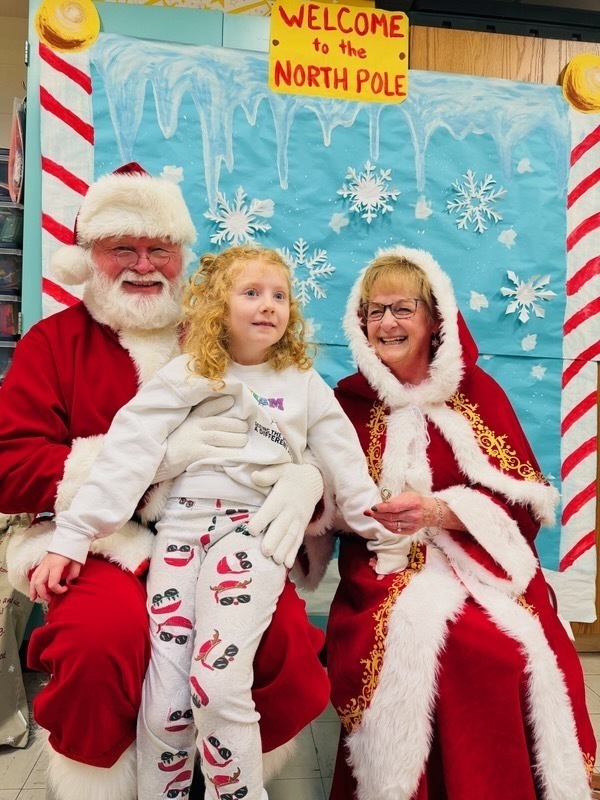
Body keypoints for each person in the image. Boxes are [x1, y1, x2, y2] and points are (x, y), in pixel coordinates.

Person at [0, 164, 330, 800]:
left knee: (282, 635)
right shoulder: (53, 343)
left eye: (159, 248)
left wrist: (306, 480)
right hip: (104, 543)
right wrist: (152, 467)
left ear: (184, 255)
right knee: (101, 640)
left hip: (228, 531)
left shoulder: (229, 337)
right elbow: (12, 468)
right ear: (87, 257)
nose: (143, 264)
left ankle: (227, 776)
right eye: (122, 247)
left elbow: (300, 424)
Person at [29, 244, 397, 800]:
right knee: (167, 699)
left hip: (250, 535)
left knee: (218, 684)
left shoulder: (303, 383)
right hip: (180, 535)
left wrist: (379, 533)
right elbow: (126, 456)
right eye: (251, 293)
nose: (268, 305)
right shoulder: (186, 373)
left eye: (279, 296)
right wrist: (75, 536)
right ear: (217, 307)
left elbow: (347, 467)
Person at [325, 245, 596, 800]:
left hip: (481, 563)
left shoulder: (479, 396)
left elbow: (525, 509)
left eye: (402, 309)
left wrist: (441, 512)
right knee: (443, 643)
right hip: (383, 570)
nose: (388, 323)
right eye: (375, 311)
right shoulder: (346, 404)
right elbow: (323, 508)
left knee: (511, 649)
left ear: (433, 319)